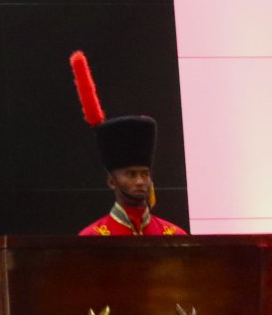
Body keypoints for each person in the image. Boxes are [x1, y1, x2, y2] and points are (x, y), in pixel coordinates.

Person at [68, 51, 185, 236]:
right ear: (112, 182)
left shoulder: (174, 235)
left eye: (145, 174)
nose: (140, 182)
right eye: (131, 174)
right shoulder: (92, 238)